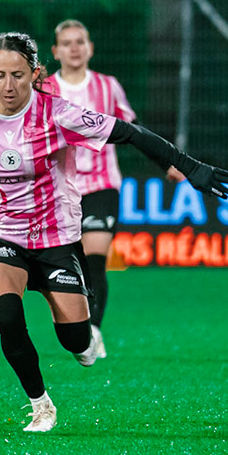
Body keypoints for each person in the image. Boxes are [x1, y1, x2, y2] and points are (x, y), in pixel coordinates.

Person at [0, 32, 228, 431]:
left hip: (54, 237)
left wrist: (189, 166)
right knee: (7, 316)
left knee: (76, 340)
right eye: (1, 75)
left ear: (35, 73)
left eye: (19, 75)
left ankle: (84, 336)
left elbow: (129, 132)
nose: (9, 85)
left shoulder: (58, 114)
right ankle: (41, 405)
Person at [43, 18, 183, 353]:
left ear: (90, 48)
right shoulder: (45, 89)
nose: (75, 48)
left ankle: (93, 329)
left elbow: (134, 130)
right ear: (56, 51)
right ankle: (75, 324)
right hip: (59, 190)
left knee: (95, 256)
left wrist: (167, 161)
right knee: (66, 263)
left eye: (80, 41)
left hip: (102, 183)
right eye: (67, 43)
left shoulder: (108, 86)